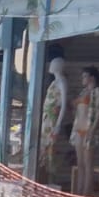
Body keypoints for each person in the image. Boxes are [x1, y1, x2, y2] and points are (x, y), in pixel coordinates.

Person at [70, 67, 99, 195]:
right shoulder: (83, 92)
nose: (82, 79)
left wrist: (93, 130)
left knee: (88, 164)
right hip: (78, 129)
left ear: (92, 78)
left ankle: (85, 195)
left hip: (89, 130)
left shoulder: (97, 92)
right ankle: (79, 192)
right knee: (80, 164)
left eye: (85, 76)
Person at [39, 48, 68, 184]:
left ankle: (50, 180)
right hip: (46, 119)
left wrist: (58, 125)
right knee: (43, 149)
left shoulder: (62, 81)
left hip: (53, 120)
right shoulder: (54, 82)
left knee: (50, 150)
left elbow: (64, 105)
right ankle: (44, 179)